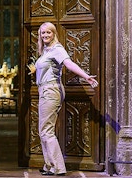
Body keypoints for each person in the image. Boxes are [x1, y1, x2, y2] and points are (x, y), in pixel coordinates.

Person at [31, 22, 97, 176]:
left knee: (46, 131)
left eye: (49, 32)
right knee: (43, 130)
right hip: (45, 89)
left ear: (54, 34)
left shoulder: (57, 49)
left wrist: (86, 76)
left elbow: (69, 63)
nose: (45, 35)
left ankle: (58, 167)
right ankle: (49, 165)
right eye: (43, 33)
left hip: (51, 90)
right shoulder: (46, 51)